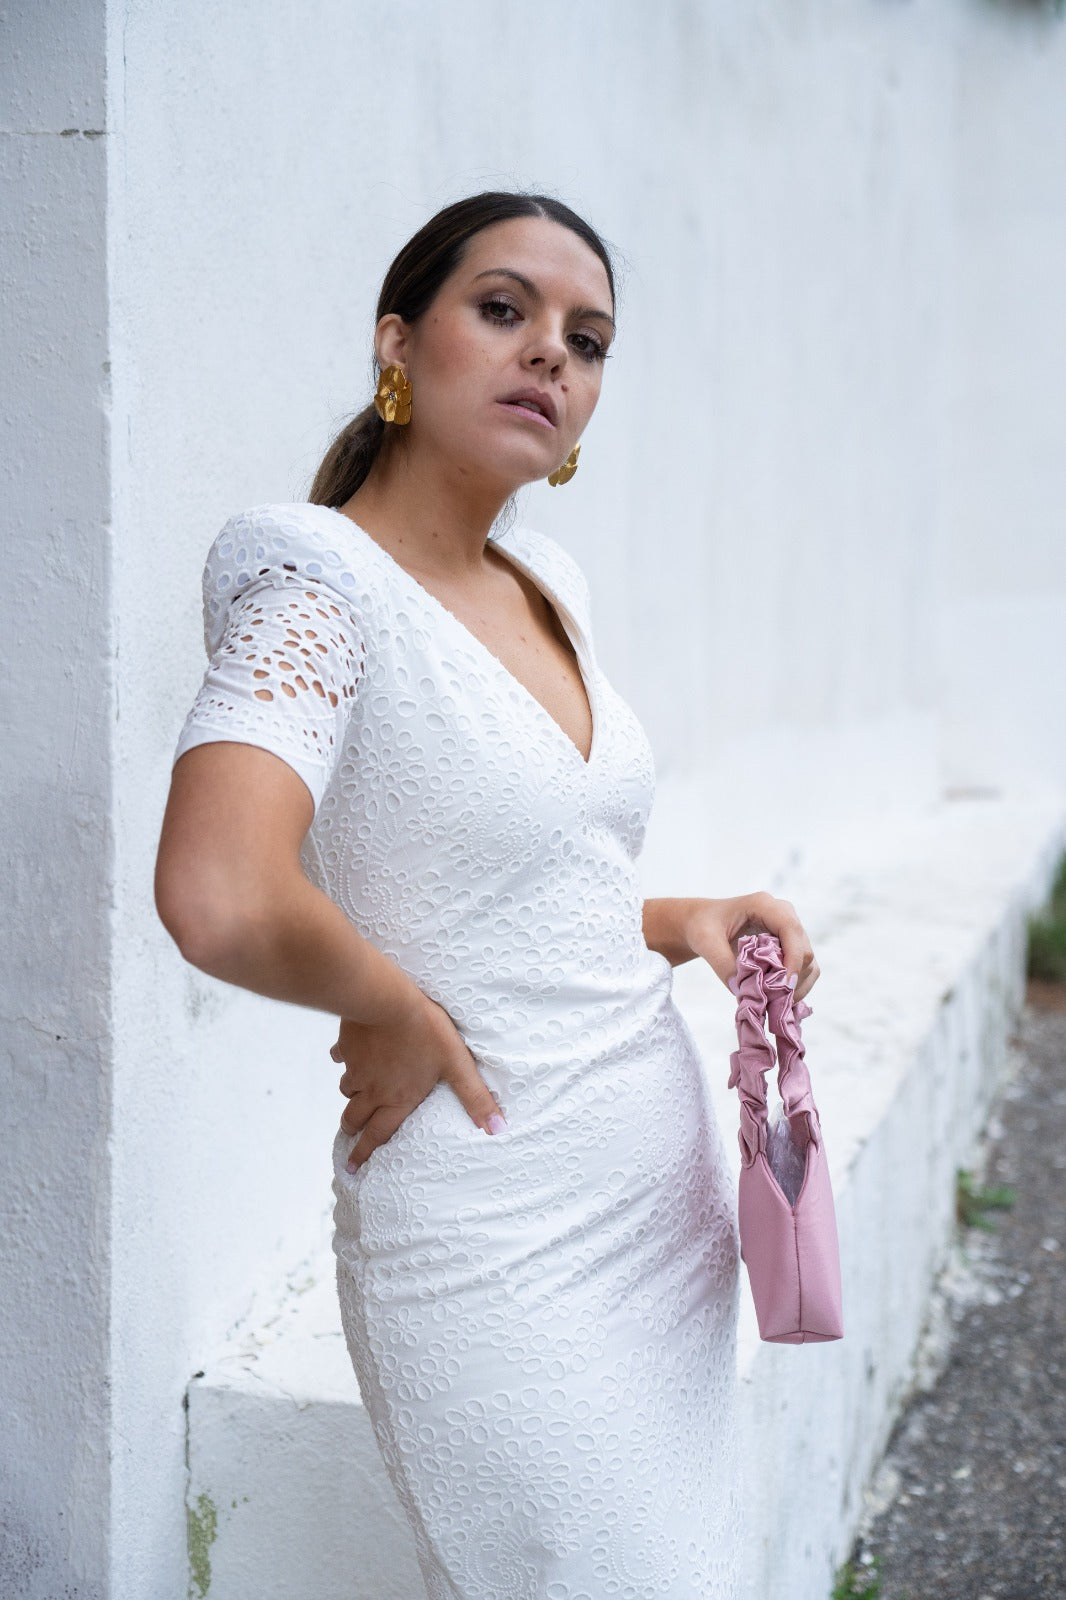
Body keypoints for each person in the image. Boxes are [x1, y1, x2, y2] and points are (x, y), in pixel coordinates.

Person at [155, 191, 819, 1600]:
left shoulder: (544, 581)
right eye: (504, 309)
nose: (552, 355)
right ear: (397, 342)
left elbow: (508, 894)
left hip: (662, 1222)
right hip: (494, 1243)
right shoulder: (314, 581)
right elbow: (218, 891)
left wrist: (683, 920)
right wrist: (389, 1007)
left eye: (589, 339)